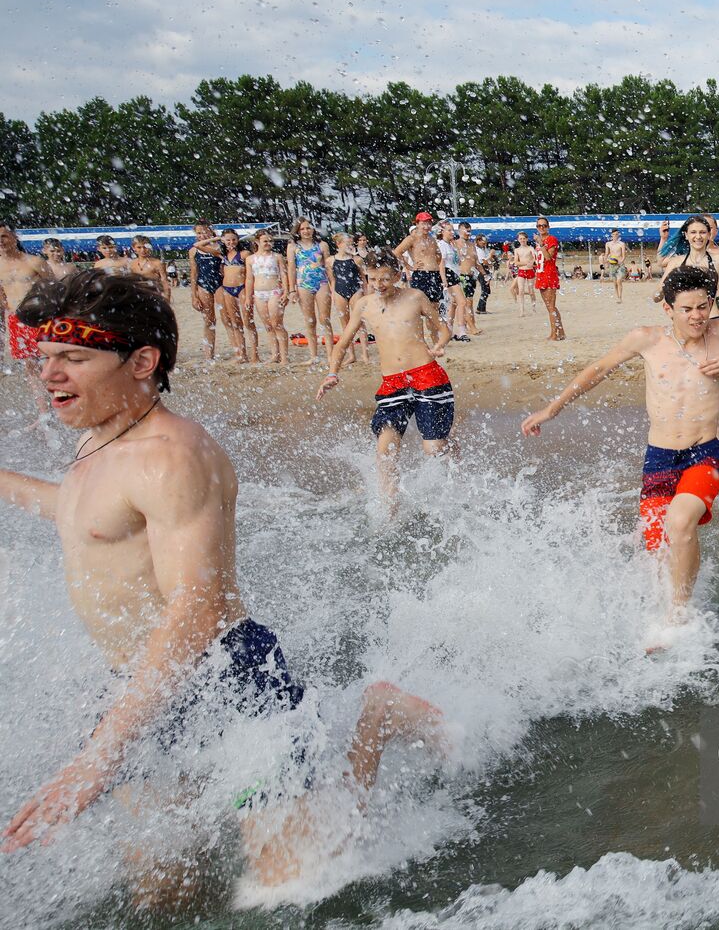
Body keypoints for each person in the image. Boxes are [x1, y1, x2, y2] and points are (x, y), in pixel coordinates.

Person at [0, 270, 446, 894]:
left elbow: (194, 608)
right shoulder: (102, 441)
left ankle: (376, 717)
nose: (49, 376)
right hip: (143, 685)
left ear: (141, 361)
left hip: (229, 680)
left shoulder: (169, 456)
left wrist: (99, 757)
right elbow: (92, 518)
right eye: (46, 359)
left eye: (73, 358)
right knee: (162, 891)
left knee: (297, 883)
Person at [522, 265, 719, 634]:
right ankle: (678, 597)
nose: (697, 316)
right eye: (687, 309)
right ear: (668, 309)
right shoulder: (647, 339)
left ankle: (679, 616)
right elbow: (597, 370)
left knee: (680, 522)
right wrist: (552, 409)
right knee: (660, 548)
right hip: (660, 457)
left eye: (704, 306)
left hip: (705, 452)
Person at [317, 249, 453, 511]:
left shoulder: (415, 297)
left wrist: (439, 345)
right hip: (393, 383)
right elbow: (342, 343)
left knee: (433, 450)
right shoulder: (364, 305)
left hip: (427, 376)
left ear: (398, 275)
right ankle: (390, 511)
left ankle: (449, 449)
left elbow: (443, 329)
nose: (379, 285)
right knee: (385, 452)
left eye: (385, 279)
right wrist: (333, 373)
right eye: (373, 279)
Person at [0, 224, 55, 419]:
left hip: (39, 318)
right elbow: (2, 298)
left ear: (14, 237)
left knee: (51, 362)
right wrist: (7, 320)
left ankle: (60, 404)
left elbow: (55, 290)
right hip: (16, 321)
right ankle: (43, 413)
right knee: (30, 368)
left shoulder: (33, 262)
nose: (1, 241)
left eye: (4, 236)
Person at [289, 219, 335, 363]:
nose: (306, 231)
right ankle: (313, 356)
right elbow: (291, 268)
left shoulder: (322, 245)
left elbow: (328, 267)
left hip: (321, 282)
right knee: (310, 321)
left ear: (313, 229)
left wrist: (333, 285)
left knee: (325, 319)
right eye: (302, 229)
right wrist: (291, 290)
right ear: (298, 231)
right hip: (303, 284)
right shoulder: (293, 247)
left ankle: (330, 355)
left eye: (308, 228)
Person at [393, 213, 449, 326]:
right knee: (420, 308)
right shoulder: (412, 239)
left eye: (429, 223)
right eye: (423, 223)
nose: (426, 226)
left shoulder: (432, 239)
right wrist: (409, 267)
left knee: (434, 308)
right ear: (417, 224)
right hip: (421, 275)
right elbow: (396, 252)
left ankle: (435, 336)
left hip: (434, 275)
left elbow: (439, 257)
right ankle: (419, 337)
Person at [248, 230, 291, 365]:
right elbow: (249, 279)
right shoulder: (250, 259)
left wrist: (286, 291)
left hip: (274, 291)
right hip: (259, 293)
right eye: (265, 241)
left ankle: (284, 357)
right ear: (257, 242)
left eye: (270, 241)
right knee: (268, 326)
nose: (268, 243)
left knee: (277, 324)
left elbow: (284, 275)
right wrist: (248, 297)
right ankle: (274, 355)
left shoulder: (277, 256)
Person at [218, 228, 257, 363]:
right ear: (223, 241)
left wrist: (249, 294)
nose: (231, 242)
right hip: (227, 289)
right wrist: (217, 239)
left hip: (242, 288)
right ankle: (242, 355)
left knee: (248, 322)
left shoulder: (244, 254)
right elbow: (197, 246)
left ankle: (255, 355)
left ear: (238, 240)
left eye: (234, 239)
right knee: (235, 323)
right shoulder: (222, 255)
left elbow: (252, 273)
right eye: (227, 240)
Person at [328, 232, 368, 363]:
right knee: (345, 324)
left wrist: (366, 294)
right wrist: (333, 293)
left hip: (355, 290)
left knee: (360, 322)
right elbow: (333, 280)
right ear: (338, 244)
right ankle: (351, 355)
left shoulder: (357, 259)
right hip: (340, 291)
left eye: (351, 243)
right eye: (348, 243)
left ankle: (365, 354)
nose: (351, 245)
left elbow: (363, 278)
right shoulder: (330, 260)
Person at [187, 221, 223, 362]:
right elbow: (194, 273)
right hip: (203, 285)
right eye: (199, 233)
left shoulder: (219, 246)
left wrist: (214, 238)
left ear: (211, 231)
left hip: (220, 284)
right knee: (209, 321)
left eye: (205, 232)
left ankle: (239, 352)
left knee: (227, 319)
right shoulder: (193, 251)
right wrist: (194, 296)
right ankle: (209, 355)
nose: (202, 235)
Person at [534, 216, 565, 340]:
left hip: (549, 274)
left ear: (548, 227)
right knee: (549, 306)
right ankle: (559, 332)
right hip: (541, 274)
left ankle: (555, 333)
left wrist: (541, 244)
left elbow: (548, 258)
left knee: (551, 306)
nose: (541, 228)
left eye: (544, 225)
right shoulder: (540, 241)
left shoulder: (551, 239)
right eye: (539, 226)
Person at [128, 236, 171, 302]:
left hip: (154, 296)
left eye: (145, 247)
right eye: (139, 247)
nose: (143, 250)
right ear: (134, 248)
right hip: (136, 296)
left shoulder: (157, 263)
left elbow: (164, 281)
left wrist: (167, 297)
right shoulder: (131, 264)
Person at [512, 232, 537, 317]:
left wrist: (532, 262)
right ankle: (522, 311)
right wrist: (526, 262)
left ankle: (533, 308)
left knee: (531, 291)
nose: (522, 240)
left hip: (530, 271)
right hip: (521, 271)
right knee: (521, 291)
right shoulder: (517, 250)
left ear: (526, 239)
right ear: (518, 240)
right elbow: (516, 262)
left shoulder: (530, 248)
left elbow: (535, 257)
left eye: (523, 238)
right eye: (520, 239)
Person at [603, 228, 628, 303]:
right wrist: (605, 262)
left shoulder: (622, 244)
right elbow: (606, 254)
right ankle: (617, 296)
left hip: (620, 264)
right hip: (612, 265)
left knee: (619, 280)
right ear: (611, 235)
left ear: (619, 235)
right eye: (614, 234)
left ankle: (620, 297)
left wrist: (621, 262)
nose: (615, 236)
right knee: (614, 283)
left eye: (617, 234)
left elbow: (624, 256)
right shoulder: (608, 244)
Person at [473, 234, 494, 313]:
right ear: (478, 241)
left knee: (486, 290)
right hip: (481, 270)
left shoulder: (484, 249)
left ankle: (482, 308)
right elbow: (484, 262)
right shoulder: (478, 250)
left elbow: (489, 261)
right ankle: (480, 308)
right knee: (485, 289)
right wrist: (490, 255)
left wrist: (490, 259)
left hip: (485, 270)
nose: (484, 242)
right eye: (482, 241)